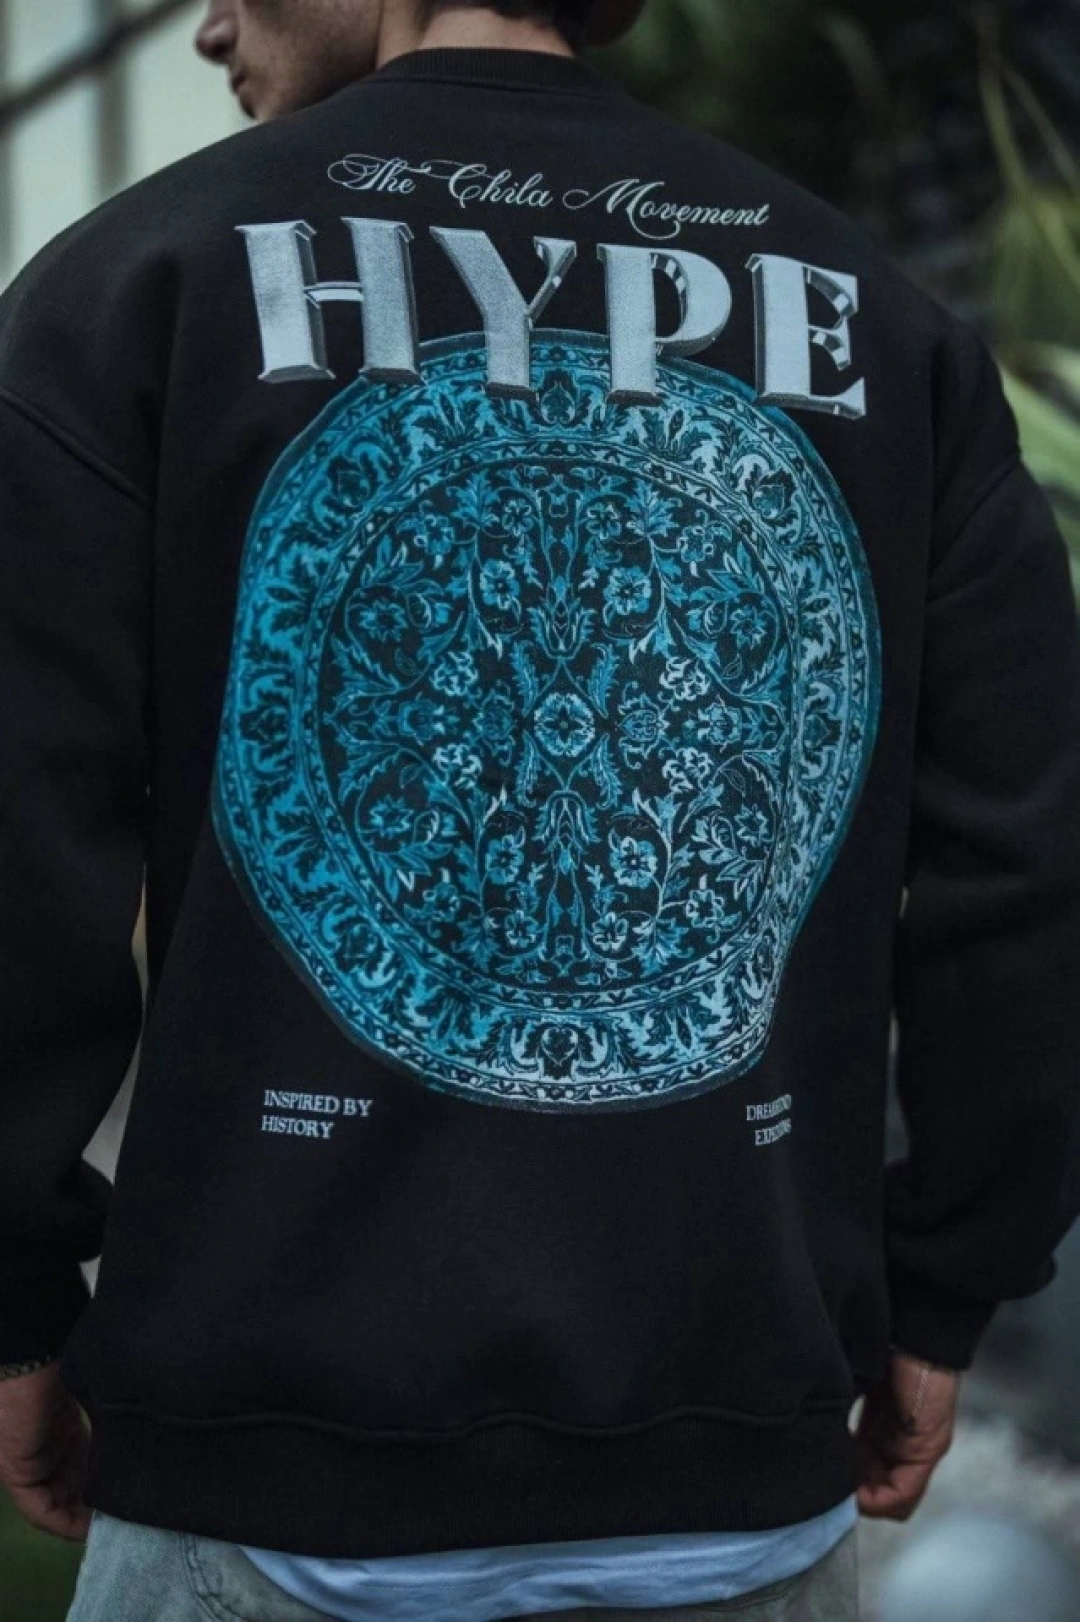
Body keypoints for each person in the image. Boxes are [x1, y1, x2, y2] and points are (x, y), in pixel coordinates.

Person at [0, 0, 1077, 1618]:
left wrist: (16, 1300)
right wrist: (947, 1292)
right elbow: (1029, 864)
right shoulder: (886, 325)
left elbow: (20, 839)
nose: (209, 20)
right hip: (743, 1488)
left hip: (271, 1496)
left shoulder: (133, 286)